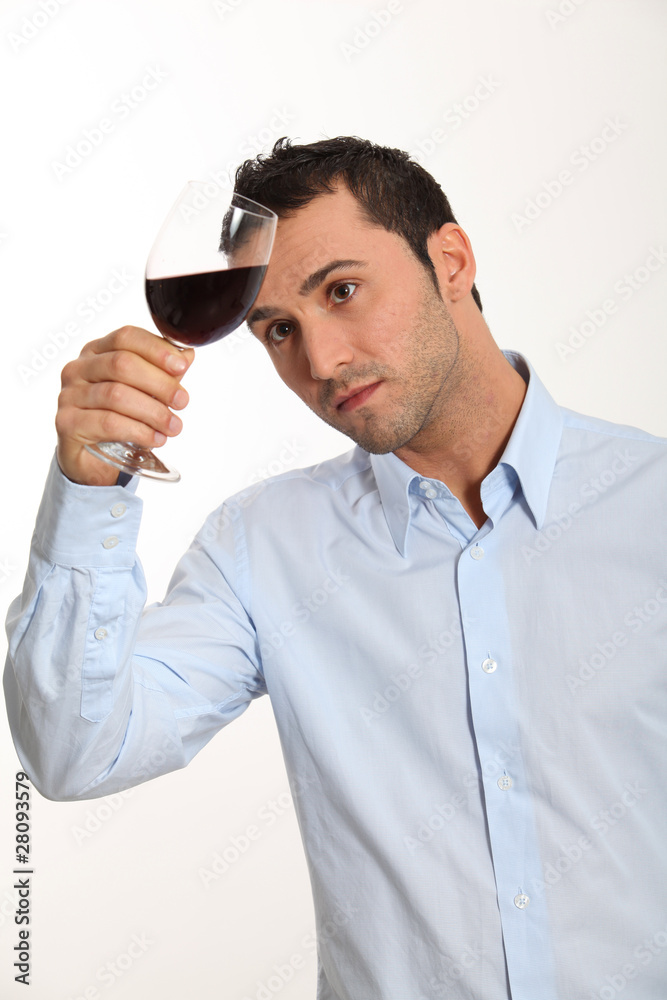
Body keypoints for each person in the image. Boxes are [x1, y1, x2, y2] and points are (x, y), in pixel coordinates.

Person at [4, 137, 667, 1000]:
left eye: (342, 291)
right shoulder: (260, 547)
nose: (317, 362)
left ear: (452, 261)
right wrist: (90, 489)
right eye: (278, 330)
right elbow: (74, 751)